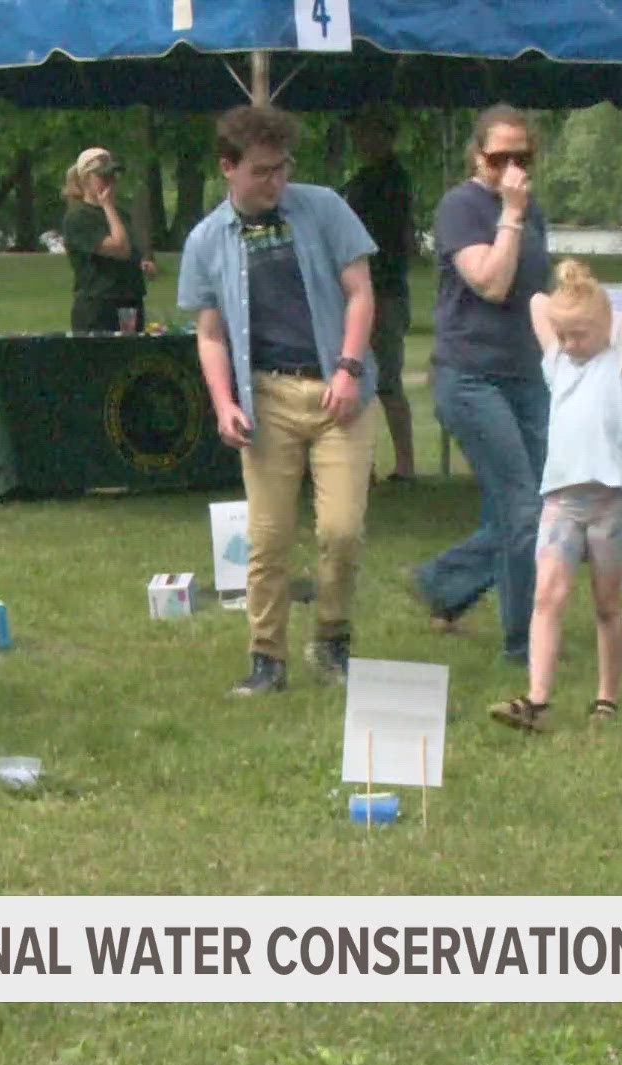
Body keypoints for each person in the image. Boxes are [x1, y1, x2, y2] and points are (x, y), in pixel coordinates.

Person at [177, 105, 379, 695]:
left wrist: (346, 368)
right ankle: (267, 657)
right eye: (262, 171)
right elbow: (210, 334)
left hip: (338, 392)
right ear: (228, 169)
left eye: (282, 168)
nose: (276, 181)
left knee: (341, 531)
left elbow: (360, 293)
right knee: (267, 540)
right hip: (266, 397)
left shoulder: (324, 209)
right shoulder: (206, 240)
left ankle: (333, 640)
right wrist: (223, 404)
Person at [489, 261, 622, 733]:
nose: (569, 344)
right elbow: (537, 304)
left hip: (612, 503)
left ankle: (607, 695)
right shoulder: (559, 365)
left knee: (607, 602)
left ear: (606, 327)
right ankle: (537, 699)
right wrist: (571, 291)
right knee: (547, 597)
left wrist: (620, 322)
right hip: (562, 501)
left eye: (580, 335)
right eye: (563, 336)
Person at [412, 105, 552, 665]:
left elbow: (534, 291)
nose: (512, 168)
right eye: (500, 158)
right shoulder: (461, 207)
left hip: (528, 373)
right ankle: (523, 646)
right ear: (478, 157)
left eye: (524, 157)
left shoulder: (532, 209)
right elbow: (491, 283)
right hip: (468, 376)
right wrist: (511, 214)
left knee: (529, 505)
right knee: (525, 512)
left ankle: (443, 584)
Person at [341, 107, 416, 483]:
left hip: (385, 292)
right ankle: (363, 464)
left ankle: (405, 463)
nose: (361, 141)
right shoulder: (361, 181)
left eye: (367, 132)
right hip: (363, 290)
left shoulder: (391, 182)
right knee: (361, 379)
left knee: (387, 380)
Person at [61, 147, 157, 333]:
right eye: (103, 177)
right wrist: (107, 205)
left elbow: (129, 250)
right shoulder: (78, 216)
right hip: (98, 304)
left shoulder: (120, 214)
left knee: (132, 359)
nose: (110, 182)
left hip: (129, 301)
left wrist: (143, 263)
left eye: (113, 176)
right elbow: (119, 248)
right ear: (85, 179)